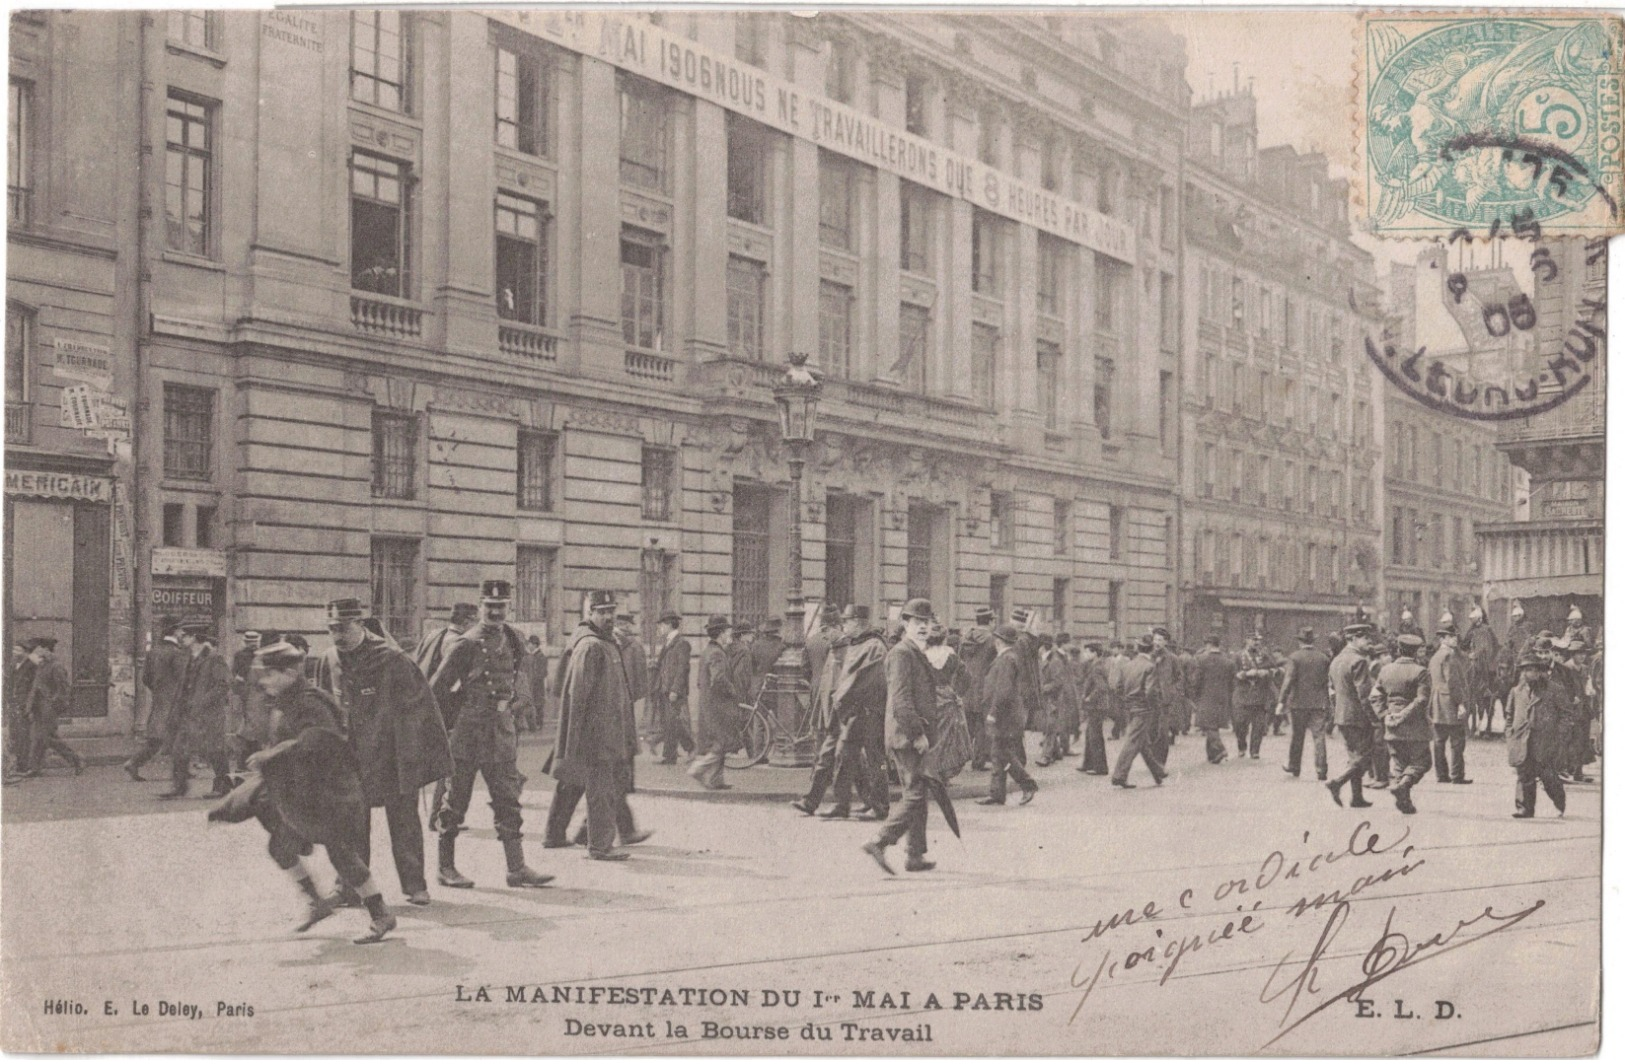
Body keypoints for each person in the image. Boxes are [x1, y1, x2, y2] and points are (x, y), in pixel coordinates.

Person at [215, 641, 397, 944]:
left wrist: (271, 756)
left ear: (290, 672)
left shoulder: (311, 701)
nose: (263, 681)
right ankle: (318, 904)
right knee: (280, 848)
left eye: (270, 675)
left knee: (343, 856)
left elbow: (318, 739)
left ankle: (381, 915)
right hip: (300, 795)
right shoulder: (284, 700)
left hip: (330, 793)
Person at [316, 598, 453, 906]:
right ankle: (349, 887)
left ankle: (415, 885)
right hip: (350, 759)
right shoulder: (329, 659)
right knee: (350, 825)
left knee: (403, 822)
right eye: (331, 629)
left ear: (361, 625)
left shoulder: (392, 659)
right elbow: (324, 706)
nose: (337, 636)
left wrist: (414, 757)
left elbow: (420, 709)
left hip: (390, 758)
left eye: (343, 628)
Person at [429, 581, 555, 887]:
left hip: (500, 732)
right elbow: (437, 688)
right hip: (469, 733)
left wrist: (517, 706)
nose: (496, 612)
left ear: (508, 607)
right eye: (490, 606)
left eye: (501, 607)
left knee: (508, 800)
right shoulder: (467, 643)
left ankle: (517, 868)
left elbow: (519, 673)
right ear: (481, 606)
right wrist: (452, 721)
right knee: (455, 802)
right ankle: (445, 868)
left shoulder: (512, 638)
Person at [549, 591, 645, 859]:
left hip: (610, 732)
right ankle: (600, 846)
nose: (608, 617)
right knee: (602, 790)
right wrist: (576, 739)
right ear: (589, 613)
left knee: (586, 784)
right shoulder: (591, 645)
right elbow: (578, 696)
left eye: (611, 611)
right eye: (602, 612)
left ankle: (562, 835)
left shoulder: (606, 642)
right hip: (597, 734)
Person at [861, 599, 942, 874]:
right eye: (917, 623)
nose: (923, 627)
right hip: (906, 736)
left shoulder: (914, 651)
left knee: (917, 792)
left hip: (909, 734)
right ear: (906, 624)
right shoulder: (901, 653)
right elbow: (900, 700)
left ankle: (915, 855)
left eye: (927, 623)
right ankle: (880, 841)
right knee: (917, 794)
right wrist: (917, 733)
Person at [792, 605, 867, 816]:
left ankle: (868, 802)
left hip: (843, 710)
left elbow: (843, 681)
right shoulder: (837, 647)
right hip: (834, 709)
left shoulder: (839, 647)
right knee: (837, 756)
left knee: (841, 757)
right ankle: (815, 802)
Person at [824, 607, 891, 819]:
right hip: (857, 709)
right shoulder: (859, 644)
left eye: (847, 621)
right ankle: (843, 804)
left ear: (858, 622)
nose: (844, 626)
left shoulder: (874, 645)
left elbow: (867, 680)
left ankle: (879, 806)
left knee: (874, 758)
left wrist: (844, 697)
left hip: (870, 710)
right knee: (844, 754)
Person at [161, 622, 232, 798]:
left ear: (194, 637)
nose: (180, 637)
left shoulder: (214, 658)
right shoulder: (188, 657)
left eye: (184, 635)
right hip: (188, 712)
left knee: (214, 750)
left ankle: (223, 785)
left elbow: (223, 685)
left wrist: (203, 701)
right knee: (180, 748)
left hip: (209, 714)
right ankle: (179, 787)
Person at [978, 623, 1039, 806]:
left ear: (998, 641)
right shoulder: (1010, 657)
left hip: (1004, 716)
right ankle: (997, 794)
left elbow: (1003, 690)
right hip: (1007, 715)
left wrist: (993, 713)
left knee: (1002, 753)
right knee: (998, 754)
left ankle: (1028, 784)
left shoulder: (1006, 659)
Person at [1371, 632, 1432, 815]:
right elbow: (1421, 700)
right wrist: (1403, 715)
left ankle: (1404, 801)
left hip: (1391, 727)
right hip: (1414, 728)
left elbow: (1375, 696)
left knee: (1399, 763)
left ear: (1398, 650)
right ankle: (1404, 784)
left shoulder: (1385, 670)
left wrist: (1385, 715)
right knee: (1423, 762)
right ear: (1415, 652)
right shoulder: (1421, 672)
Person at [1505, 654, 1567, 818]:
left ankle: (1559, 801)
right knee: (1524, 775)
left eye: (1535, 670)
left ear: (1541, 672)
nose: (1531, 674)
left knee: (1548, 776)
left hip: (1545, 741)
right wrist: (1510, 735)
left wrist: (1558, 735)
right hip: (1521, 740)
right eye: (1527, 670)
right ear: (1523, 672)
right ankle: (1524, 808)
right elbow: (1509, 715)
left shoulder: (1554, 690)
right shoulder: (1516, 691)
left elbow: (1567, 715)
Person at [1326, 622, 1380, 809]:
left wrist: (1336, 713)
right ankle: (1337, 782)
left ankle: (1357, 797)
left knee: (1354, 756)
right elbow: (1364, 695)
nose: (1368, 641)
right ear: (1353, 639)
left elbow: (1332, 691)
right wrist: (1374, 719)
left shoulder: (1336, 660)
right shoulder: (1359, 661)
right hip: (1358, 717)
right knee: (1366, 756)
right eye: (1364, 637)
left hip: (1342, 716)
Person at [126, 617, 187, 781]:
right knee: (179, 735)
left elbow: (145, 678)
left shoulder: (154, 651)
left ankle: (134, 762)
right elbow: (183, 679)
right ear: (175, 632)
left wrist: (159, 690)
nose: (183, 633)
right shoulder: (177, 653)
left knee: (159, 737)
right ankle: (180, 773)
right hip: (175, 701)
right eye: (181, 630)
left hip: (160, 700)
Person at [19, 636, 83, 777]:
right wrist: (30, 706)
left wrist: (54, 704)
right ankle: (34, 768)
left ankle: (76, 759)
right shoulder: (42, 666)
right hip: (38, 708)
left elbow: (64, 688)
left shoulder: (56, 666)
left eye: (39, 650)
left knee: (48, 738)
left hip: (48, 708)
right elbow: (35, 688)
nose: (37, 653)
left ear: (47, 650)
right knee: (37, 737)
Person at [1110, 635, 1167, 789]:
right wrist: (1154, 707)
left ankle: (1158, 772)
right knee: (1133, 741)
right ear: (1150, 650)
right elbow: (1150, 692)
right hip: (1143, 709)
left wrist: (1127, 702)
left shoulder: (1127, 665)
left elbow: (1118, 688)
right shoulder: (1150, 666)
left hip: (1130, 708)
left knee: (1142, 742)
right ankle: (1119, 775)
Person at [688, 615, 738, 791]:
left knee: (718, 740)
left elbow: (700, 681)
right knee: (721, 741)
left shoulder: (707, 651)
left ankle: (717, 780)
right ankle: (698, 769)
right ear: (721, 633)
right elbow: (718, 679)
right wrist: (733, 691)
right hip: (718, 705)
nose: (729, 635)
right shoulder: (717, 653)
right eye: (727, 632)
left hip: (708, 703)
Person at [1277, 627, 1332, 781]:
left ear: (1299, 641)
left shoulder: (1294, 658)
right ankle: (1321, 770)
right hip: (1319, 703)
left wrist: (1281, 701)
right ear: (1313, 640)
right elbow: (1327, 683)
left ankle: (1294, 766)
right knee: (1319, 736)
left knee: (1297, 735)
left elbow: (1288, 681)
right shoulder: (1323, 658)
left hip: (1298, 703)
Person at [1427, 616, 1473, 786]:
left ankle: (1441, 775)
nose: (1456, 639)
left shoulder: (1435, 656)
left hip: (1437, 702)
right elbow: (1453, 682)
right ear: (1444, 638)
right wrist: (1460, 703)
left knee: (1439, 741)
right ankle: (1457, 775)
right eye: (1452, 637)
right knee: (1457, 741)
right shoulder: (1449, 656)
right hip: (1450, 703)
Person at [650, 611, 694, 764]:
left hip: (673, 690)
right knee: (671, 722)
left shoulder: (681, 643)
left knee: (672, 722)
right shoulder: (669, 642)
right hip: (664, 688)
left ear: (668, 624)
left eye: (661, 624)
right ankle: (680, 752)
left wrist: (675, 689)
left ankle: (675, 754)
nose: (660, 628)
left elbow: (682, 668)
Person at [959, 607, 998, 771]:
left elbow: (960, 657)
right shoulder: (991, 639)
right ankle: (979, 761)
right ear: (989, 621)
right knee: (982, 725)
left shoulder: (966, 637)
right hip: (984, 686)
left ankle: (959, 760)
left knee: (967, 724)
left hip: (967, 686)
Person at [1187, 634, 1234, 765]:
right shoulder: (1228, 661)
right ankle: (1213, 756)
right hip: (1222, 697)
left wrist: (1194, 696)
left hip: (1205, 696)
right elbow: (1232, 682)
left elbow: (1195, 680)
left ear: (1208, 645)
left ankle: (1220, 748)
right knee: (1214, 725)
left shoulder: (1200, 659)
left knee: (1208, 725)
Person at [1231, 633, 1276, 759]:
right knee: (1240, 724)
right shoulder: (1238, 656)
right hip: (1243, 694)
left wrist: (1266, 672)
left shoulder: (1264, 655)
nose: (1256, 642)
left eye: (1257, 640)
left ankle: (1255, 750)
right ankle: (1241, 746)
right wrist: (1246, 674)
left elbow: (1275, 669)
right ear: (1246, 640)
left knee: (1259, 725)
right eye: (1253, 640)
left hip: (1259, 695)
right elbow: (1233, 673)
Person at [1459, 603, 1500, 737]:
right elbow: (1464, 645)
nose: (1471, 621)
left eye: (1473, 619)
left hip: (1486, 661)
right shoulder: (1471, 631)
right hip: (1473, 659)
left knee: (1486, 674)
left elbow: (1491, 646)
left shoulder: (1487, 629)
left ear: (1479, 618)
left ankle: (1488, 692)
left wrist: (1479, 654)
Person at [1074, 638, 1112, 775]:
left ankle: (1100, 767)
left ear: (1095, 653)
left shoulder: (1096, 667)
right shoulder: (1096, 664)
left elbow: (1101, 687)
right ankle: (1088, 764)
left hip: (1097, 706)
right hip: (1097, 706)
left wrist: (1089, 697)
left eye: (1088, 652)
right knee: (1091, 735)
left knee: (1095, 736)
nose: (1085, 655)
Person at [521, 635, 550, 734]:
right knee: (528, 704)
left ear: (534, 644)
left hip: (538, 686)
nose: (528, 645)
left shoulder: (541, 657)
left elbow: (543, 672)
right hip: (528, 685)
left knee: (538, 704)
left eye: (529, 643)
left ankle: (538, 724)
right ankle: (531, 725)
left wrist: (535, 679)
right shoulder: (526, 657)